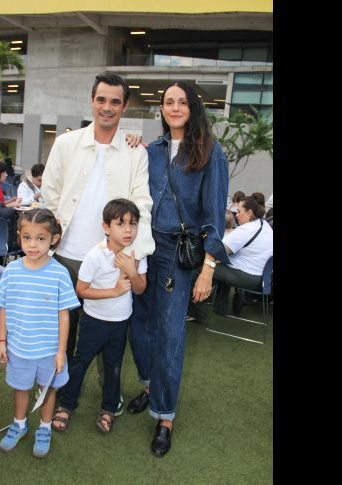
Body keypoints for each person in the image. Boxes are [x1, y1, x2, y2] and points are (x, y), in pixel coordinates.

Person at [126, 81, 229, 458]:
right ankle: (151, 387)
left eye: (182, 102)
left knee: (170, 332)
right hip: (144, 248)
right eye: (168, 102)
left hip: (179, 253)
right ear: (162, 109)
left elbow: (215, 215)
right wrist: (132, 144)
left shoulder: (209, 153)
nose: (174, 107)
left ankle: (165, 417)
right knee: (140, 322)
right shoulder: (150, 150)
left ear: (193, 107)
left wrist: (208, 267)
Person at [42, 71, 155, 411]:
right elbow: (49, 197)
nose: (107, 107)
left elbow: (143, 205)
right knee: (64, 332)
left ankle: (109, 398)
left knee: (110, 334)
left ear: (125, 106)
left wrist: (134, 256)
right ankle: (60, 394)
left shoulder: (136, 152)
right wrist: (45, 245)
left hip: (113, 259)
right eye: (102, 99)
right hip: (66, 256)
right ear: (92, 101)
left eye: (115, 101)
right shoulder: (66, 143)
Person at [51, 199, 147, 434]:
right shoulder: (95, 255)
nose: (128, 230)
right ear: (106, 227)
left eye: (132, 224)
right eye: (120, 223)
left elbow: (140, 288)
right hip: (93, 321)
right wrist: (113, 291)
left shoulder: (137, 255)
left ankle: (109, 409)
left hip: (120, 323)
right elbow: (80, 291)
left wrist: (132, 271)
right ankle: (66, 405)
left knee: (113, 366)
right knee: (80, 363)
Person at [0, 208, 81, 458]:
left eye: (40, 238)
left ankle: (45, 427)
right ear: (19, 236)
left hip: (49, 351)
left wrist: (61, 352)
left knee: (47, 389)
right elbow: (4, 308)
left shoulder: (60, 274)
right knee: (20, 388)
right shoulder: (11, 271)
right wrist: (2, 341)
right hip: (18, 348)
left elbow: (65, 315)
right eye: (27, 237)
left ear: (53, 238)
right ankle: (19, 424)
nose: (33, 245)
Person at [211, 196, 273, 315]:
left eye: (239, 211)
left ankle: (195, 312)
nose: (236, 215)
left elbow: (218, 251)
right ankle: (219, 307)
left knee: (200, 267)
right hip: (263, 278)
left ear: (249, 212)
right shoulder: (264, 225)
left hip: (248, 277)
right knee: (224, 264)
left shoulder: (246, 229)